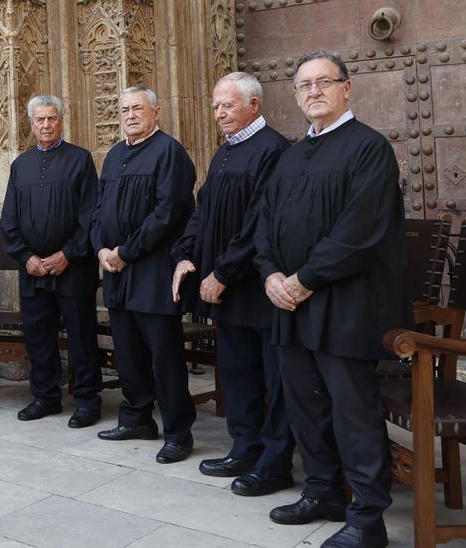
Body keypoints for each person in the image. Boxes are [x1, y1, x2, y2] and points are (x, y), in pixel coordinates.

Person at [255, 50, 409, 548]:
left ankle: (368, 521)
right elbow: (265, 226)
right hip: (292, 306)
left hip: (347, 305)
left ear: (348, 88)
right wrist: (271, 274)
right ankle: (322, 491)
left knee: (352, 412)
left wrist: (304, 280)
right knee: (304, 406)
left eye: (324, 81)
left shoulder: (369, 148)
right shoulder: (292, 155)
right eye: (304, 85)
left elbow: (359, 232)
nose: (314, 91)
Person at [171, 72, 295, 495]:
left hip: (258, 288)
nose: (219, 113)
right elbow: (202, 210)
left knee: (274, 380)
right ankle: (245, 448)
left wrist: (223, 272)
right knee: (237, 373)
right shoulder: (224, 153)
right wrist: (186, 254)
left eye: (227, 105)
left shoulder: (273, 150)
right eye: (216, 106)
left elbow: (260, 222)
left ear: (254, 105)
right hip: (223, 287)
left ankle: (276, 463)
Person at [92, 86, 198, 464]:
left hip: (153, 270)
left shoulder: (170, 152)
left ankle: (178, 431)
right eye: (124, 109)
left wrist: (125, 252)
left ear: (156, 111)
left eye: (138, 108)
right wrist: (102, 249)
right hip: (117, 272)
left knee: (165, 355)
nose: (130, 114)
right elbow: (98, 209)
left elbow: (168, 212)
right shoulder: (115, 155)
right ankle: (137, 417)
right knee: (128, 351)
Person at [0, 96, 104, 426]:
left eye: (51, 119)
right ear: (30, 125)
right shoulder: (20, 165)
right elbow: (9, 220)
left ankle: (87, 400)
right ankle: (45, 397)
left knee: (81, 337)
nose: (46, 125)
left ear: (61, 121)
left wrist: (68, 254)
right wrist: (26, 257)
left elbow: (91, 215)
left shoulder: (80, 159)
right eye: (40, 120)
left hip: (73, 268)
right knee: (39, 336)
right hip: (33, 270)